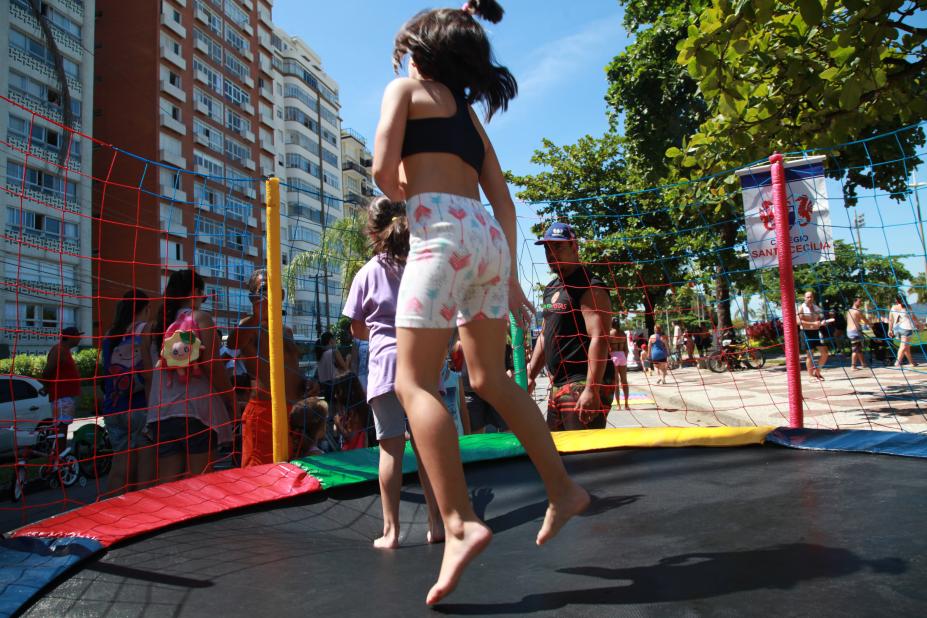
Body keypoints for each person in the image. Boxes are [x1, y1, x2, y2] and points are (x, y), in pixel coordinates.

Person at [373, 1, 590, 604]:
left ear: (417, 54)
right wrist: (515, 280)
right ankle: (562, 490)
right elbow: (504, 200)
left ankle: (460, 521)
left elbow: (380, 169)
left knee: (413, 384)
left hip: (439, 235)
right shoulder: (470, 118)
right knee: (490, 377)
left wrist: (401, 187)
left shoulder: (403, 91)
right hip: (488, 241)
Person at [342, 196, 441, 549]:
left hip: (384, 366)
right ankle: (437, 524)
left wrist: (381, 331)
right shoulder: (421, 266)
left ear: (372, 231)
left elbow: (356, 328)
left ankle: (391, 532)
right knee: (427, 448)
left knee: (390, 450)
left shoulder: (367, 272)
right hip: (420, 363)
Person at [144, 269, 232, 483]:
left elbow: (148, 377)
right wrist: (231, 401)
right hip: (195, 412)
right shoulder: (201, 319)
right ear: (194, 291)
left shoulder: (152, 329)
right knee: (200, 485)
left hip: (160, 414)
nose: (202, 301)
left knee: (168, 485)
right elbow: (213, 368)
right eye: (202, 295)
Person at [527, 222, 616, 430]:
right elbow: (545, 336)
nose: (551, 254)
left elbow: (600, 338)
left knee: (585, 458)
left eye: (558, 247)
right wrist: (530, 374)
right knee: (558, 454)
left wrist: (592, 389)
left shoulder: (590, 285)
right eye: (547, 248)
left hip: (582, 381)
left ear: (574, 247)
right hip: (558, 383)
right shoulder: (551, 288)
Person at [228, 270, 303, 467]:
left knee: (291, 479)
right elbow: (233, 342)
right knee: (259, 482)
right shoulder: (250, 327)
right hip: (263, 416)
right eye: (263, 290)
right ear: (252, 297)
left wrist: (307, 384)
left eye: (274, 289)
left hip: (292, 415)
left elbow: (292, 370)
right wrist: (257, 314)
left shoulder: (286, 331)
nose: (269, 294)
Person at [102, 289, 153, 494]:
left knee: (120, 465)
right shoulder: (147, 331)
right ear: (147, 309)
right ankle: (142, 515)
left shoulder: (110, 335)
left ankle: (112, 508)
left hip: (114, 408)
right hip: (141, 407)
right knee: (144, 469)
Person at [41, 326, 83, 422]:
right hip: (61, 397)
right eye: (78, 336)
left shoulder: (64, 350)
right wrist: (46, 386)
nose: (80, 338)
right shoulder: (59, 350)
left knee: (63, 426)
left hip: (65, 397)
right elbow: (48, 370)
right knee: (61, 427)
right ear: (70, 337)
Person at [797, 290, 831, 380]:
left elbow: (821, 318)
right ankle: (810, 376)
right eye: (807, 297)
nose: (809, 298)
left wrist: (823, 322)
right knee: (810, 355)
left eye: (811, 297)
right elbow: (798, 322)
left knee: (825, 353)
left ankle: (817, 372)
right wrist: (812, 324)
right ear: (804, 298)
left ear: (813, 298)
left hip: (816, 333)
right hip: (806, 333)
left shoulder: (816, 308)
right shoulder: (801, 308)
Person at [889, 295, 922, 368]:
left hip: (897, 329)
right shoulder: (907, 307)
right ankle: (897, 362)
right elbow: (913, 317)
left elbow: (891, 320)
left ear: (896, 300)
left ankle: (911, 362)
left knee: (906, 347)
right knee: (903, 346)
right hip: (906, 328)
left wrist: (890, 329)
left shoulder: (893, 307)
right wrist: (919, 324)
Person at [609, 317, 630, 410]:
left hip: (613, 356)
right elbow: (626, 349)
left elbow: (607, 348)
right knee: (624, 381)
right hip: (622, 356)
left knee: (616, 382)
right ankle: (626, 404)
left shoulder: (610, 333)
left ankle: (618, 405)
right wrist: (624, 357)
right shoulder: (623, 333)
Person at [846, 297, 870, 370]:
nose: (861, 303)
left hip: (849, 331)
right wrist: (871, 324)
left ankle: (863, 364)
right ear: (855, 302)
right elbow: (865, 320)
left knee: (858, 348)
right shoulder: (857, 311)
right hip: (855, 332)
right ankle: (853, 366)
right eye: (859, 302)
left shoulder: (849, 311)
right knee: (855, 349)